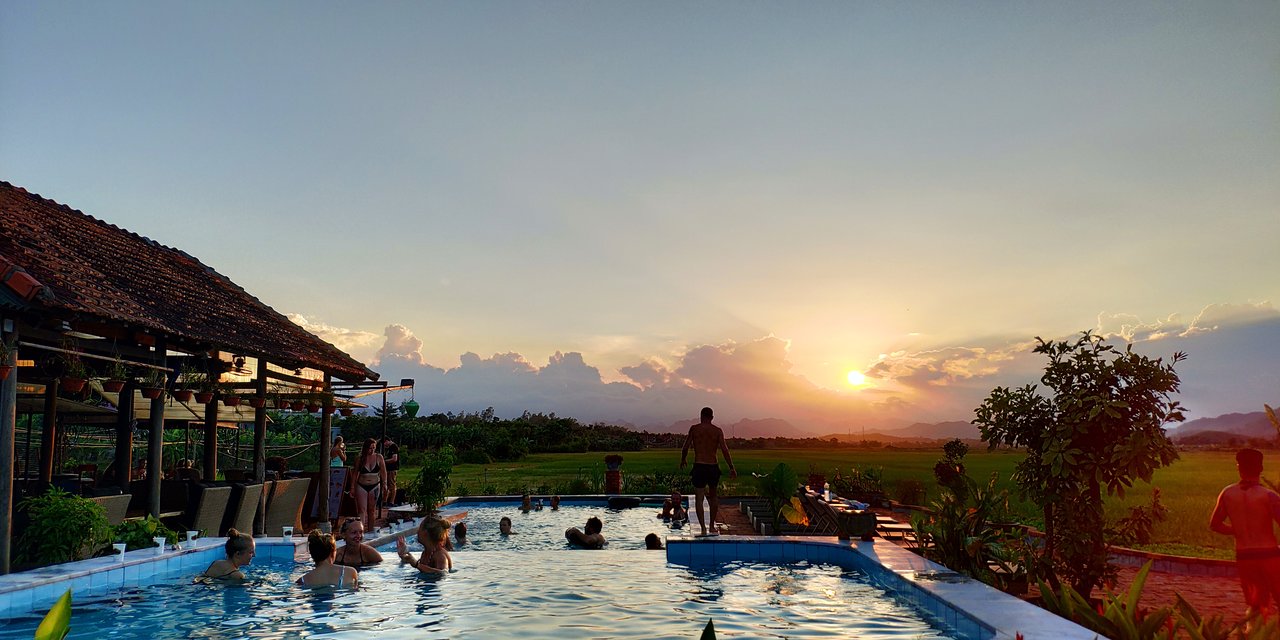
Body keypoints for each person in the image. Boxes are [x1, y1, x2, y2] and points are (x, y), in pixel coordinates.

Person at [1210, 448, 1280, 617]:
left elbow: (1215, 524)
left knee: (1255, 605)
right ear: (1261, 468)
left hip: (1244, 556)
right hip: (1268, 555)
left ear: (1238, 467)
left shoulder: (1227, 493)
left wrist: (1237, 530)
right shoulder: (1269, 496)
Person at [680, 407, 736, 537]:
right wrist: (731, 467)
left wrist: (683, 460)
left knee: (699, 498)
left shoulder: (694, 429)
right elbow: (724, 450)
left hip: (699, 465)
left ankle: (703, 529)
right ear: (712, 417)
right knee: (713, 496)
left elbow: (685, 447)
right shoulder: (717, 431)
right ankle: (711, 526)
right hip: (712, 466)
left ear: (701, 416)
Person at [353, 438, 387, 530]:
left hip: (375, 485)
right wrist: (352, 487)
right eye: (370, 448)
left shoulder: (379, 457)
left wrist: (384, 484)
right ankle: (361, 530)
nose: (372, 450)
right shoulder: (360, 459)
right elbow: (355, 473)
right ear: (366, 448)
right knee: (362, 510)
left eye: (374, 448)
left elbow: (384, 472)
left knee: (371, 510)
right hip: (362, 485)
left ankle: (371, 530)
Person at [381, 437, 400, 506]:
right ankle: (385, 500)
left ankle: (392, 501)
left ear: (387, 441)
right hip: (388, 469)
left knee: (392, 485)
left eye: (384, 443)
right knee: (387, 485)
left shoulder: (394, 447)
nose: (384, 446)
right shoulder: (390, 448)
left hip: (392, 468)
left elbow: (394, 459)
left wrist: (384, 461)